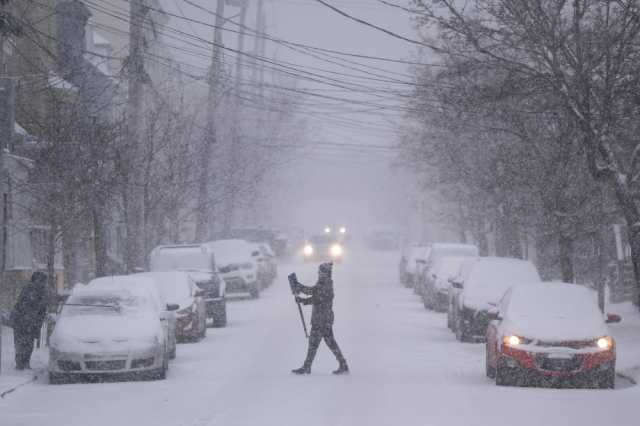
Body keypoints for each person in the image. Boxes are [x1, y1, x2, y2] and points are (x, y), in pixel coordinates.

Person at [291, 262, 349, 375]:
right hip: (324, 319)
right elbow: (314, 294)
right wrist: (300, 291)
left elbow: (315, 297)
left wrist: (301, 295)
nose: (319, 274)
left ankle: (307, 366)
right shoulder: (324, 282)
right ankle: (343, 364)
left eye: (320, 272)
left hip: (321, 320)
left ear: (325, 273)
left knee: (313, 344)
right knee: (330, 343)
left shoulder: (326, 284)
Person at [10, 271, 49, 370]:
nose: (43, 283)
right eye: (42, 280)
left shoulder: (39, 291)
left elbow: (41, 309)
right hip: (24, 321)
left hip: (27, 322)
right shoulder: (32, 290)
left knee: (24, 343)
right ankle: (21, 363)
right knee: (24, 343)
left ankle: (23, 363)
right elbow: (25, 306)